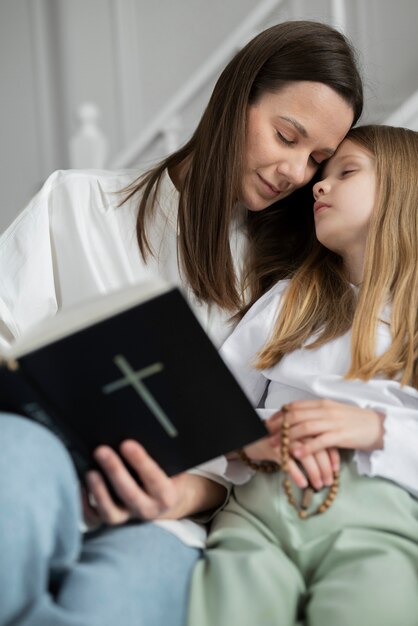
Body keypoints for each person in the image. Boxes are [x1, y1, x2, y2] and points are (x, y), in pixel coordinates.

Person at [0, 20, 364, 626]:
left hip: (169, 519)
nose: (296, 173)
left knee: (107, 608)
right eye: (285, 135)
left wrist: (181, 494)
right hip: (40, 461)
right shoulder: (76, 204)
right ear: (235, 96)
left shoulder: (289, 284)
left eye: (319, 160)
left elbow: (253, 460)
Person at [188, 124, 418, 626]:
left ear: (405, 190)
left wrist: (378, 430)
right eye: (323, 174)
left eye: (346, 172)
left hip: (376, 517)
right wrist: (249, 442)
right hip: (256, 511)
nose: (317, 184)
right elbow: (210, 411)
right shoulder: (289, 300)